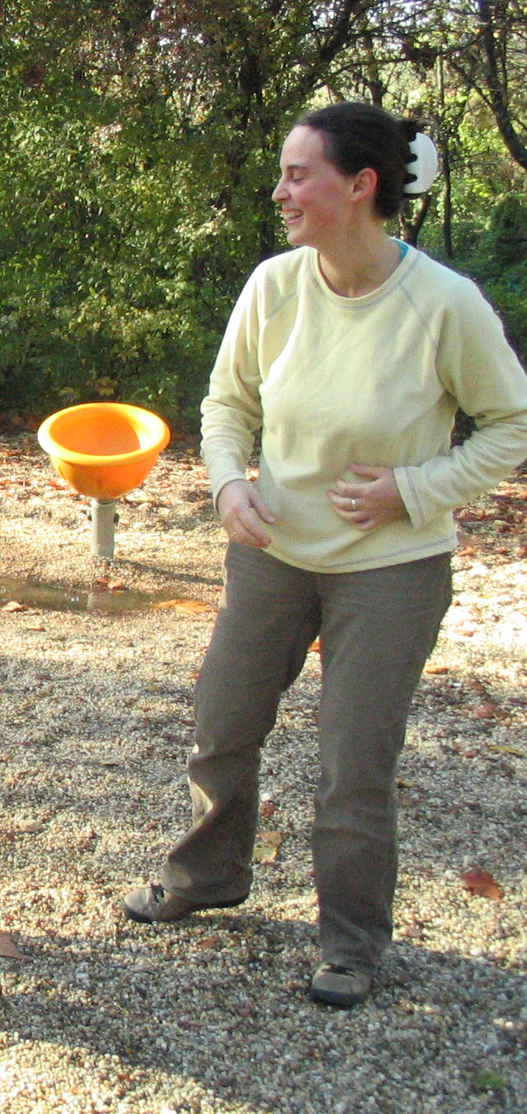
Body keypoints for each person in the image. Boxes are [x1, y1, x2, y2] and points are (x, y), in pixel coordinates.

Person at [122, 103, 527, 1008]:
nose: (282, 191)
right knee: (223, 720)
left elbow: (512, 423)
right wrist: (228, 483)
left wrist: (414, 490)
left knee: (353, 764)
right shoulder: (275, 287)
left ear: (361, 186)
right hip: (275, 554)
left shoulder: (444, 303)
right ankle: (206, 878)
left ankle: (350, 940)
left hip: (392, 569)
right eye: (283, 172)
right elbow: (226, 403)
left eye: (300, 174)